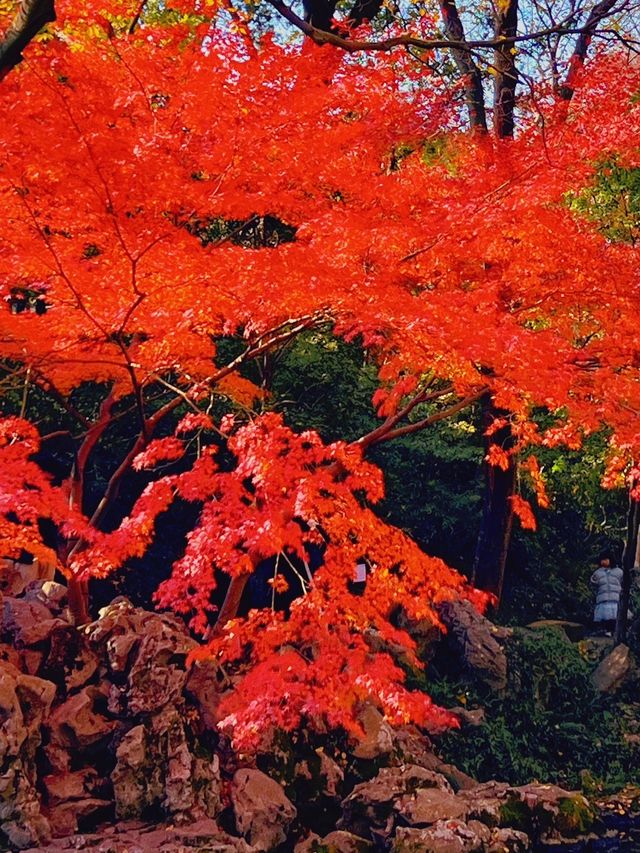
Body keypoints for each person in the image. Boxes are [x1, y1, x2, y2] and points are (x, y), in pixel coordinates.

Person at [590, 551, 624, 636]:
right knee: (605, 616)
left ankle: (615, 631)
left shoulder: (619, 572)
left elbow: (623, 582)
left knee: (615, 616)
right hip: (603, 597)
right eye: (602, 560)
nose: (603, 561)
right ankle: (607, 631)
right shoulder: (598, 573)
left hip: (615, 597)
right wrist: (593, 580)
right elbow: (593, 583)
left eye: (605, 559)